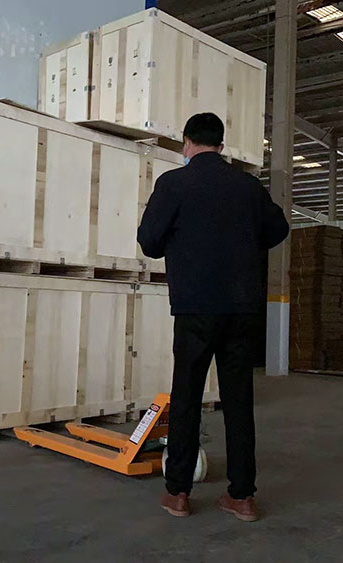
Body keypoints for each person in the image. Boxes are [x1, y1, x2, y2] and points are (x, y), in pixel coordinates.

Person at [137, 113, 289, 522]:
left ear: (186, 143)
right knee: (239, 399)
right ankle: (242, 496)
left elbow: (149, 242)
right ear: (222, 147)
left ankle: (178, 493)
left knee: (187, 396)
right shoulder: (247, 186)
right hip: (241, 307)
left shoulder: (173, 184)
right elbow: (278, 229)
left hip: (194, 307)